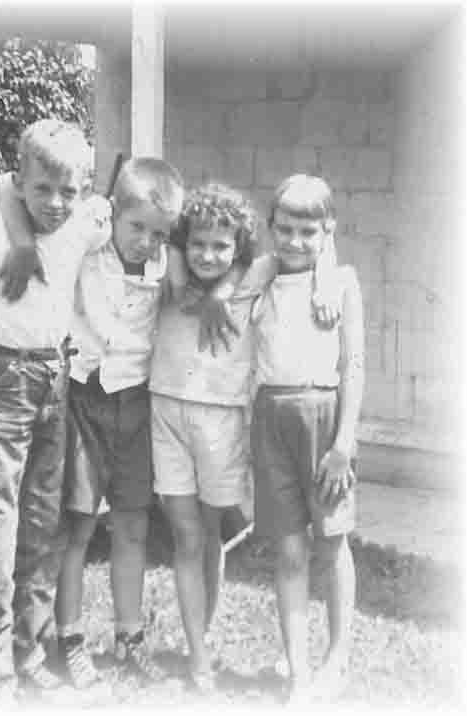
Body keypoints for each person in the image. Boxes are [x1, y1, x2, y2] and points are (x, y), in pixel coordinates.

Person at [0, 119, 112, 705]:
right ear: (20, 181)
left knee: (42, 521)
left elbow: (117, 210)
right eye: (42, 189)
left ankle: (30, 649)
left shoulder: (81, 226)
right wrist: (19, 239)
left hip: (57, 377)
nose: (55, 203)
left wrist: (47, 225)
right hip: (2, 374)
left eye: (67, 191)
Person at [22, 157, 186, 688]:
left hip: (137, 403)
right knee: (78, 525)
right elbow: (16, 190)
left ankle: (129, 635)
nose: (145, 241)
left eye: (158, 233)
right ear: (115, 213)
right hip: (85, 397)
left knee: (133, 524)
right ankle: (68, 637)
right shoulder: (89, 238)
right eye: (136, 227)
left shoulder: (169, 262)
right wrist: (95, 207)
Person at [250, 174, 363, 704]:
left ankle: (336, 656)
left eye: (308, 232)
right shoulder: (265, 279)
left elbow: (354, 367)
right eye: (285, 229)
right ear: (271, 227)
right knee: (290, 549)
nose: (295, 241)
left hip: (325, 419)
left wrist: (344, 443)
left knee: (331, 542)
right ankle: (298, 670)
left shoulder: (340, 282)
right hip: (272, 417)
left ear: (327, 232)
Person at [150, 184, 263, 691]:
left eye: (221, 246)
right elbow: (163, 240)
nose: (207, 255)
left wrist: (222, 290)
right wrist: (179, 262)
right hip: (166, 407)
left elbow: (268, 257)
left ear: (237, 249)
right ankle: (197, 657)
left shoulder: (247, 282)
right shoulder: (169, 278)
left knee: (212, 535)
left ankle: (203, 634)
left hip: (222, 418)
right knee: (186, 535)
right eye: (197, 244)